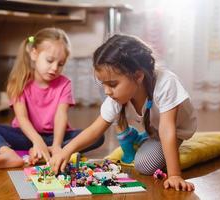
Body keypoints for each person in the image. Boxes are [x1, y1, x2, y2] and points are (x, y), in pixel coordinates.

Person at [49, 34, 197, 192]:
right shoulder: (117, 95)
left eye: (112, 84)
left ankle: (143, 140)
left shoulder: (166, 83)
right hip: (154, 129)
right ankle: (142, 138)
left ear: (138, 76)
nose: (107, 91)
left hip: (176, 129)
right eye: (103, 84)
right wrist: (66, 151)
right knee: (146, 152)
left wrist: (174, 175)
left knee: (144, 165)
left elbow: (167, 129)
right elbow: (95, 130)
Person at [0, 27, 104, 169]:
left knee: (98, 136)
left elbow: (61, 115)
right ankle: (8, 153)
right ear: (34, 54)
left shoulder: (64, 84)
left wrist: (56, 145)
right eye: (50, 60)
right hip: (26, 136)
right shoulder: (19, 81)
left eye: (60, 64)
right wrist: (37, 142)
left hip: (56, 137)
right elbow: (22, 118)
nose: (55, 68)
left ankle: (49, 153)